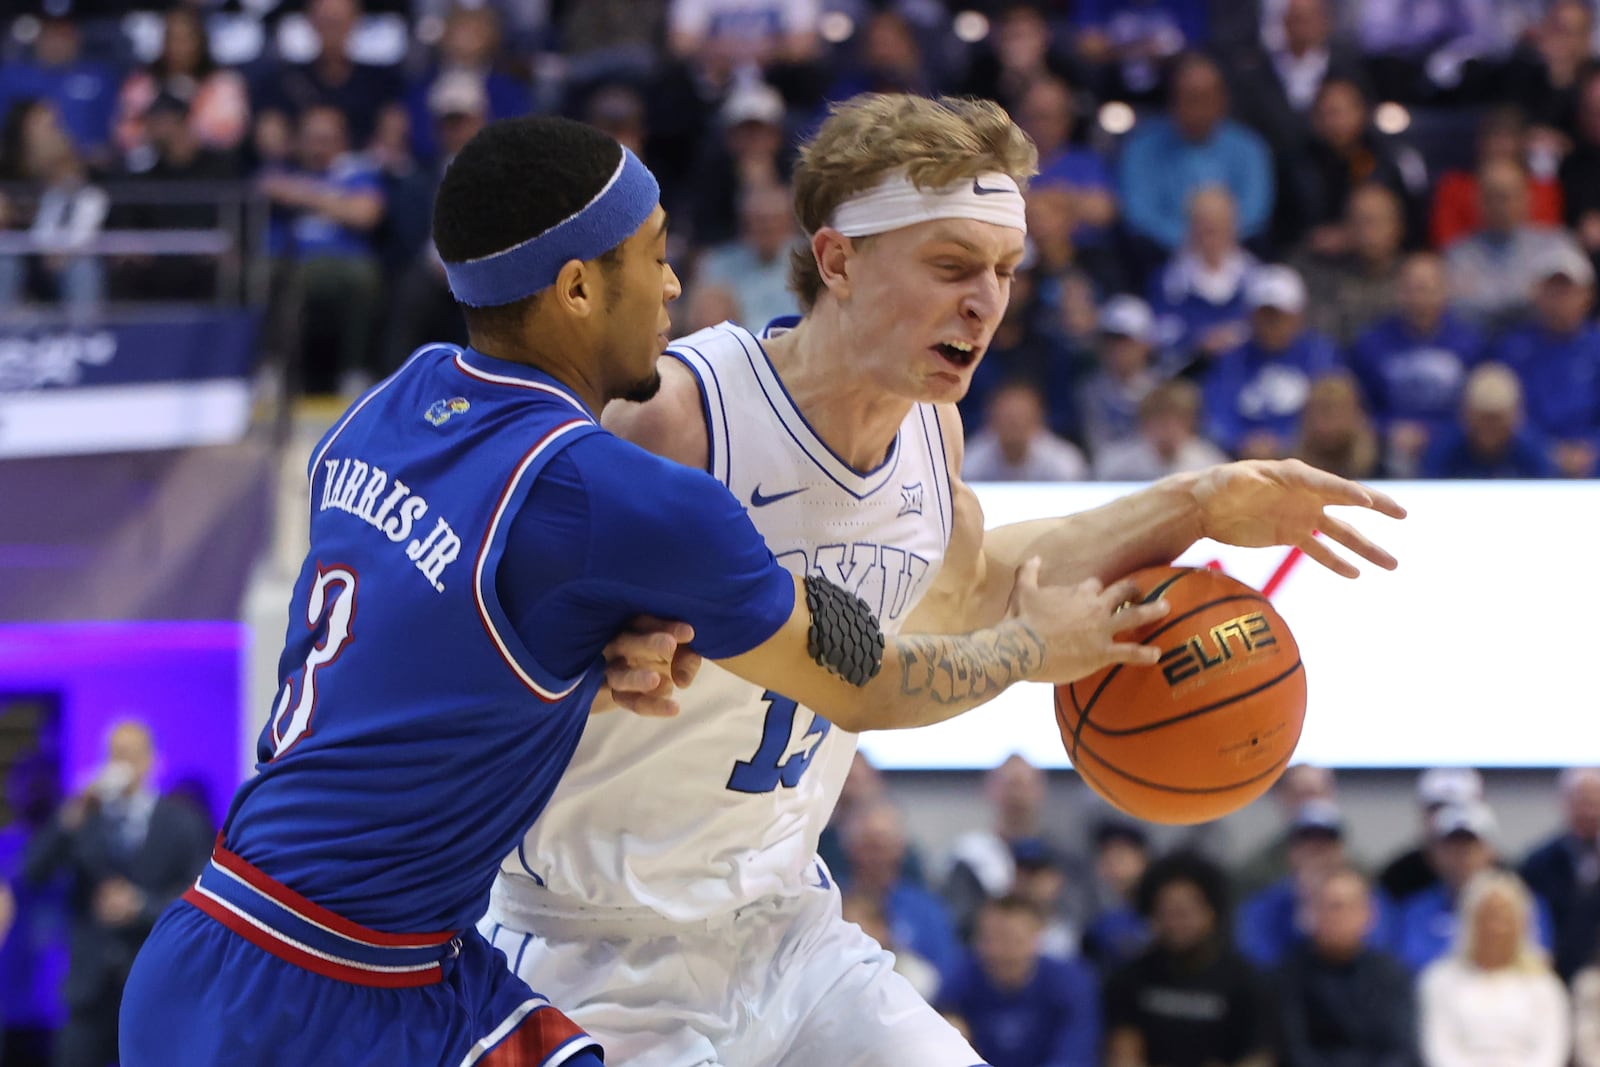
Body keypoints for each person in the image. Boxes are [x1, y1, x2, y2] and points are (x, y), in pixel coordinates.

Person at [115, 114, 1160, 1067]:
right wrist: (1033, 646)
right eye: (653, 257)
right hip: (354, 974)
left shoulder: (392, 407)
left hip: (232, 929)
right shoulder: (619, 495)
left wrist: (606, 653)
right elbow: (867, 679)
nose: (673, 285)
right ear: (576, 288)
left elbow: (452, 625)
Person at [485, 92, 1403, 1067]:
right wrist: (589, 654)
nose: (985, 302)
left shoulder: (932, 434)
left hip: (785, 928)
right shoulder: (677, 417)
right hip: (594, 947)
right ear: (837, 260)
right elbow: (483, 637)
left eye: (1004, 271)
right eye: (951, 265)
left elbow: (967, 587)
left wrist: (1197, 504)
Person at [22, 722, 211, 1067]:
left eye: (130, 754)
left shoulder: (183, 821)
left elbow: (200, 895)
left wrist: (141, 905)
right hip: (88, 991)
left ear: (151, 760)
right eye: (113, 755)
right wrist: (72, 814)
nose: (120, 764)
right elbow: (32, 873)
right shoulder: (84, 818)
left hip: (154, 983)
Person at [1104, 852, 1272, 1067]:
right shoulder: (1129, 979)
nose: (1176, 923)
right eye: (1166, 911)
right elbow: (1123, 1052)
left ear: (1211, 912)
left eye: (1186, 912)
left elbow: (1260, 1055)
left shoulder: (1247, 981)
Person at [1417, 870, 1571, 1067]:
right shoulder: (1439, 980)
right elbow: (1438, 1048)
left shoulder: (1544, 985)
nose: (1496, 927)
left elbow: (1551, 1051)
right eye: (1488, 916)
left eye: (1505, 917)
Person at [1276, 867, 1416, 1067]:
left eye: (1345, 906)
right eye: (1326, 906)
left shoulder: (1392, 974)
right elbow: (1295, 1052)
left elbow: (1400, 1050)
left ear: (1368, 913)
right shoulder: (1289, 975)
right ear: (1310, 912)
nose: (1336, 916)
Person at [938, 895, 1100, 1067]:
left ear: (1035, 939)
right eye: (987, 939)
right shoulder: (961, 978)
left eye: (1009, 940)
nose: (996, 951)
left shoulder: (1071, 983)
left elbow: (1074, 1055)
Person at [1518, 767, 1600, 982]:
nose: (1590, 810)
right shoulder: (1537, 864)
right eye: (1583, 801)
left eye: (1595, 801)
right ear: (1564, 802)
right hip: (1553, 976)